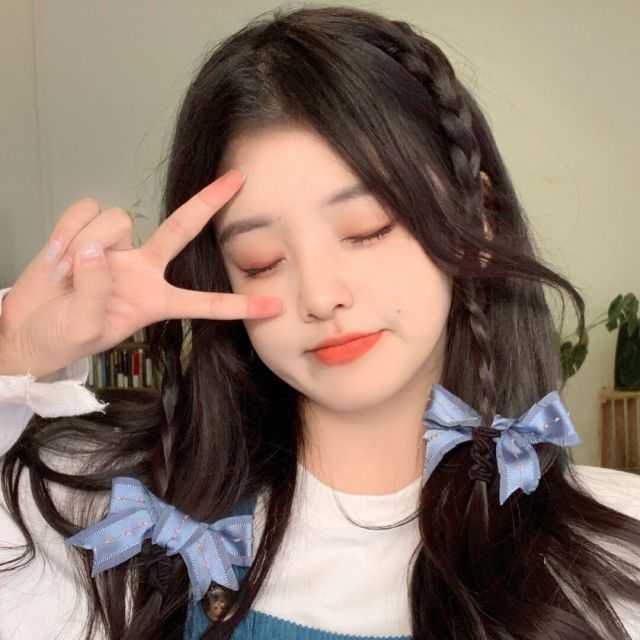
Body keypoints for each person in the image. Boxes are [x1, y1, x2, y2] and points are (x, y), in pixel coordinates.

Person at [1, 5, 639, 639]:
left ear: (480, 221)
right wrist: (19, 353)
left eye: (366, 230)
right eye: (261, 261)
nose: (320, 296)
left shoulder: (615, 553)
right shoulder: (120, 521)